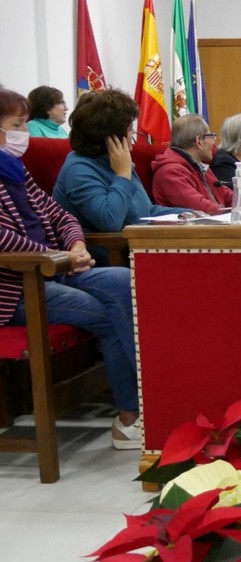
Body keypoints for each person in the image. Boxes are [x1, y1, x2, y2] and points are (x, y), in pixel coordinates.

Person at [0, 87, 140, 449]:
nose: (25, 134)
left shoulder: (14, 170)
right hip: (16, 288)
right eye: (17, 125)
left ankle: (143, 404)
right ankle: (132, 416)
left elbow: (59, 214)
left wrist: (75, 244)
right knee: (110, 313)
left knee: (125, 281)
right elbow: (3, 239)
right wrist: (58, 255)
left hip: (54, 268)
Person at [53, 89, 186, 237]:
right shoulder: (78, 170)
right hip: (107, 250)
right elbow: (110, 221)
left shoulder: (116, 160)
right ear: (111, 136)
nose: (133, 135)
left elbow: (145, 212)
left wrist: (190, 214)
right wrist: (122, 175)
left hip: (138, 244)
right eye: (129, 130)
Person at [151, 114, 232, 212]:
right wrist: (233, 212)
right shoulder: (170, 172)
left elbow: (228, 196)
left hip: (219, 220)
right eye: (211, 137)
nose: (213, 143)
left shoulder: (200, 166)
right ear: (199, 141)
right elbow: (201, 208)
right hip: (203, 221)